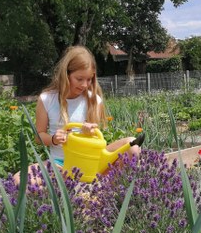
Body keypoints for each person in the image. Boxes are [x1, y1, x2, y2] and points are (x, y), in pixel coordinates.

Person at [18, 45, 141, 185]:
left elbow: (97, 142)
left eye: (89, 79)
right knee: (19, 181)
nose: (84, 85)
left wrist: (90, 133)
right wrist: (53, 139)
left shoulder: (94, 100)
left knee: (133, 146)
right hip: (60, 164)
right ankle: (70, 187)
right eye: (79, 79)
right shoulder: (47, 99)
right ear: (66, 74)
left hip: (91, 161)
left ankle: (107, 191)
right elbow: (39, 136)